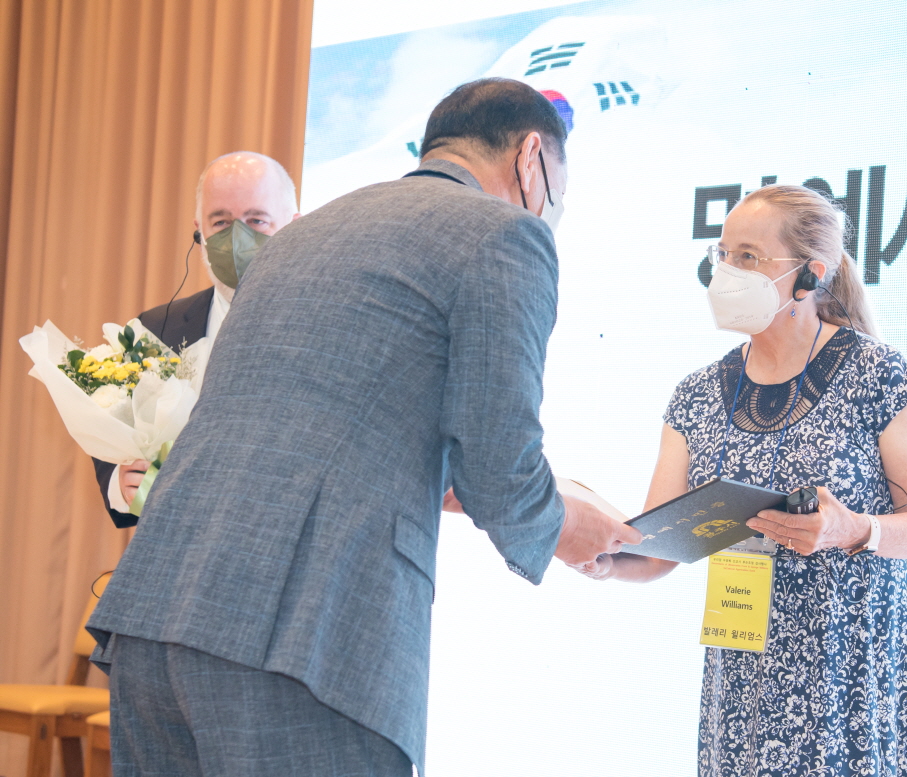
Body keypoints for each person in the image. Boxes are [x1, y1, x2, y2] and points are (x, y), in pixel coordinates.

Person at [86, 77, 640, 777]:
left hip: (153, 615)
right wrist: (567, 528)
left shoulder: (300, 237)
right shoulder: (505, 235)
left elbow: (338, 430)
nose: (555, 207)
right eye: (560, 183)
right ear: (532, 158)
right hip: (299, 637)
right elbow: (499, 463)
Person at [576, 185, 907, 775]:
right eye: (722, 255)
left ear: (809, 276)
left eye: (748, 257)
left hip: (854, 669)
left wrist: (855, 530)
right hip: (745, 676)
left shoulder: (875, 373)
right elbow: (658, 549)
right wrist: (603, 559)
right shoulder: (696, 395)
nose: (726, 272)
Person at [93, 151, 301, 527]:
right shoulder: (155, 329)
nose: (236, 237)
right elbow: (117, 438)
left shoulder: (332, 328)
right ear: (198, 232)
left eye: (256, 220)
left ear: (294, 227)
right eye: (220, 222)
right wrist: (123, 486)